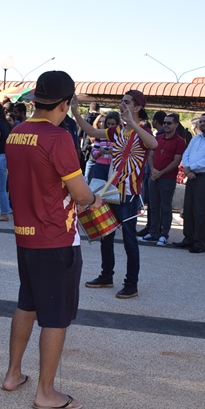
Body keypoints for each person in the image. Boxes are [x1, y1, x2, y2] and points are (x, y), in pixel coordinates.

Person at [2, 70, 100, 409]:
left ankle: (13, 373)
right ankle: (46, 392)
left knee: (27, 303)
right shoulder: (59, 138)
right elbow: (80, 193)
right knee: (56, 316)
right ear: (65, 103)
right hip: (56, 237)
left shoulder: (16, 133)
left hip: (25, 235)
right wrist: (93, 198)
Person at [72, 89, 157, 299]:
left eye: (127, 102)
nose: (122, 105)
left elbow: (153, 144)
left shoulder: (142, 130)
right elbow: (92, 132)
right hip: (111, 191)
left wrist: (133, 123)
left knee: (129, 240)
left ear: (138, 107)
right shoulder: (117, 130)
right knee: (106, 235)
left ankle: (131, 284)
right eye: (122, 101)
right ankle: (106, 275)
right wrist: (75, 112)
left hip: (129, 194)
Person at [173, 113, 205, 253]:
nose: (202, 124)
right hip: (191, 175)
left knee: (200, 210)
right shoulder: (196, 138)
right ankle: (188, 238)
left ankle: (200, 242)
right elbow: (186, 153)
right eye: (200, 121)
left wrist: (191, 168)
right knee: (188, 209)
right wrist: (187, 168)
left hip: (204, 177)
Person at [142, 113, 186, 246]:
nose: (166, 125)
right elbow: (151, 155)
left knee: (165, 207)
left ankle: (164, 234)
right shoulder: (157, 138)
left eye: (169, 123)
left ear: (176, 125)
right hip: (154, 176)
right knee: (153, 206)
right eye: (165, 122)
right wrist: (153, 169)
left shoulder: (180, 141)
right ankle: (153, 232)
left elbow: (176, 161)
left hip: (167, 178)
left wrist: (161, 172)